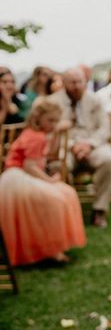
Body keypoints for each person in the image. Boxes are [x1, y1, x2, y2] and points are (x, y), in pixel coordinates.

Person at [0, 99, 86, 265]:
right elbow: (29, 166)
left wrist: (55, 134)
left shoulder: (39, 134)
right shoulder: (35, 137)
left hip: (23, 176)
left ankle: (52, 247)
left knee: (66, 193)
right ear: (39, 118)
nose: (53, 124)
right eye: (50, 121)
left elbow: (44, 156)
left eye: (56, 121)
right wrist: (49, 181)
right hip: (17, 177)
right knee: (55, 199)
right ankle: (51, 250)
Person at [49, 68, 111, 228]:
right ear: (64, 84)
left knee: (109, 159)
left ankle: (99, 210)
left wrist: (89, 144)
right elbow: (50, 130)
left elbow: (105, 128)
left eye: (80, 81)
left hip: (93, 144)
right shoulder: (53, 102)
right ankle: (65, 212)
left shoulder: (95, 100)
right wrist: (73, 145)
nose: (77, 86)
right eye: (73, 83)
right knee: (59, 165)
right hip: (66, 146)